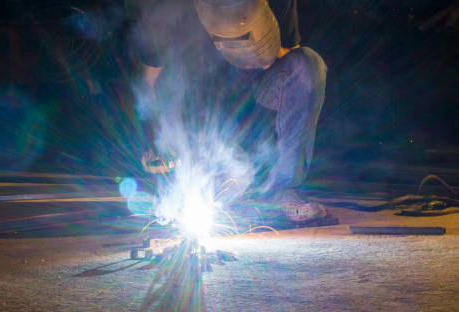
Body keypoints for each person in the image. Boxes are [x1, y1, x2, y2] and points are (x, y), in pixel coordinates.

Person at [134, 0, 328, 223]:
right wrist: (154, 139)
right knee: (230, 182)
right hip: (201, 109)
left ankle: (282, 189)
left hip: (256, 97)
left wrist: (263, 50)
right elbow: (148, 85)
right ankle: (196, 185)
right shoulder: (173, 8)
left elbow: (292, 62)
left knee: (307, 66)